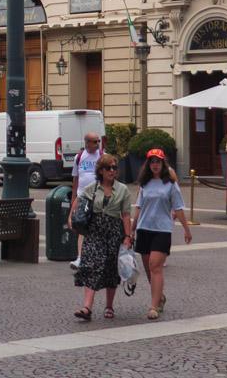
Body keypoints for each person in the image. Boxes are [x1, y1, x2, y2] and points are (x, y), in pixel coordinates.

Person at [72, 153, 136, 322]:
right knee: (91, 266)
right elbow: (79, 203)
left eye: (115, 167)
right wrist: (72, 218)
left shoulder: (122, 189)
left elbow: (126, 215)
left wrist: (128, 236)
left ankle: (109, 305)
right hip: (94, 232)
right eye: (108, 168)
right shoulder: (92, 188)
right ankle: (87, 307)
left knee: (110, 270)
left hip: (114, 232)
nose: (112, 171)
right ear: (100, 170)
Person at [133, 149, 191, 320]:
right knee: (149, 269)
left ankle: (153, 306)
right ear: (148, 164)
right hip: (144, 228)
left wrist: (187, 230)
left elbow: (179, 208)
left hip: (162, 230)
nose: (155, 165)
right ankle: (160, 297)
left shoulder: (170, 184)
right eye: (152, 162)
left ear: (163, 163)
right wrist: (132, 228)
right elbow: (138, 206)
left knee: (155, 266)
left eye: (158, 161)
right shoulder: (144, 183)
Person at [70, 131, 103, 269]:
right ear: (87, 142)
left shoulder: (102, 156)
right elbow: (76, 179)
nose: (97, 144)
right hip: (82, 197)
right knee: (82, 227)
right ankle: (80, 258)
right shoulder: (79, 157)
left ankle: (97, 257)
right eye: (95, 141)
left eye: (98, 141)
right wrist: (73, 199)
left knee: (97, 228)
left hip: (98, 197)